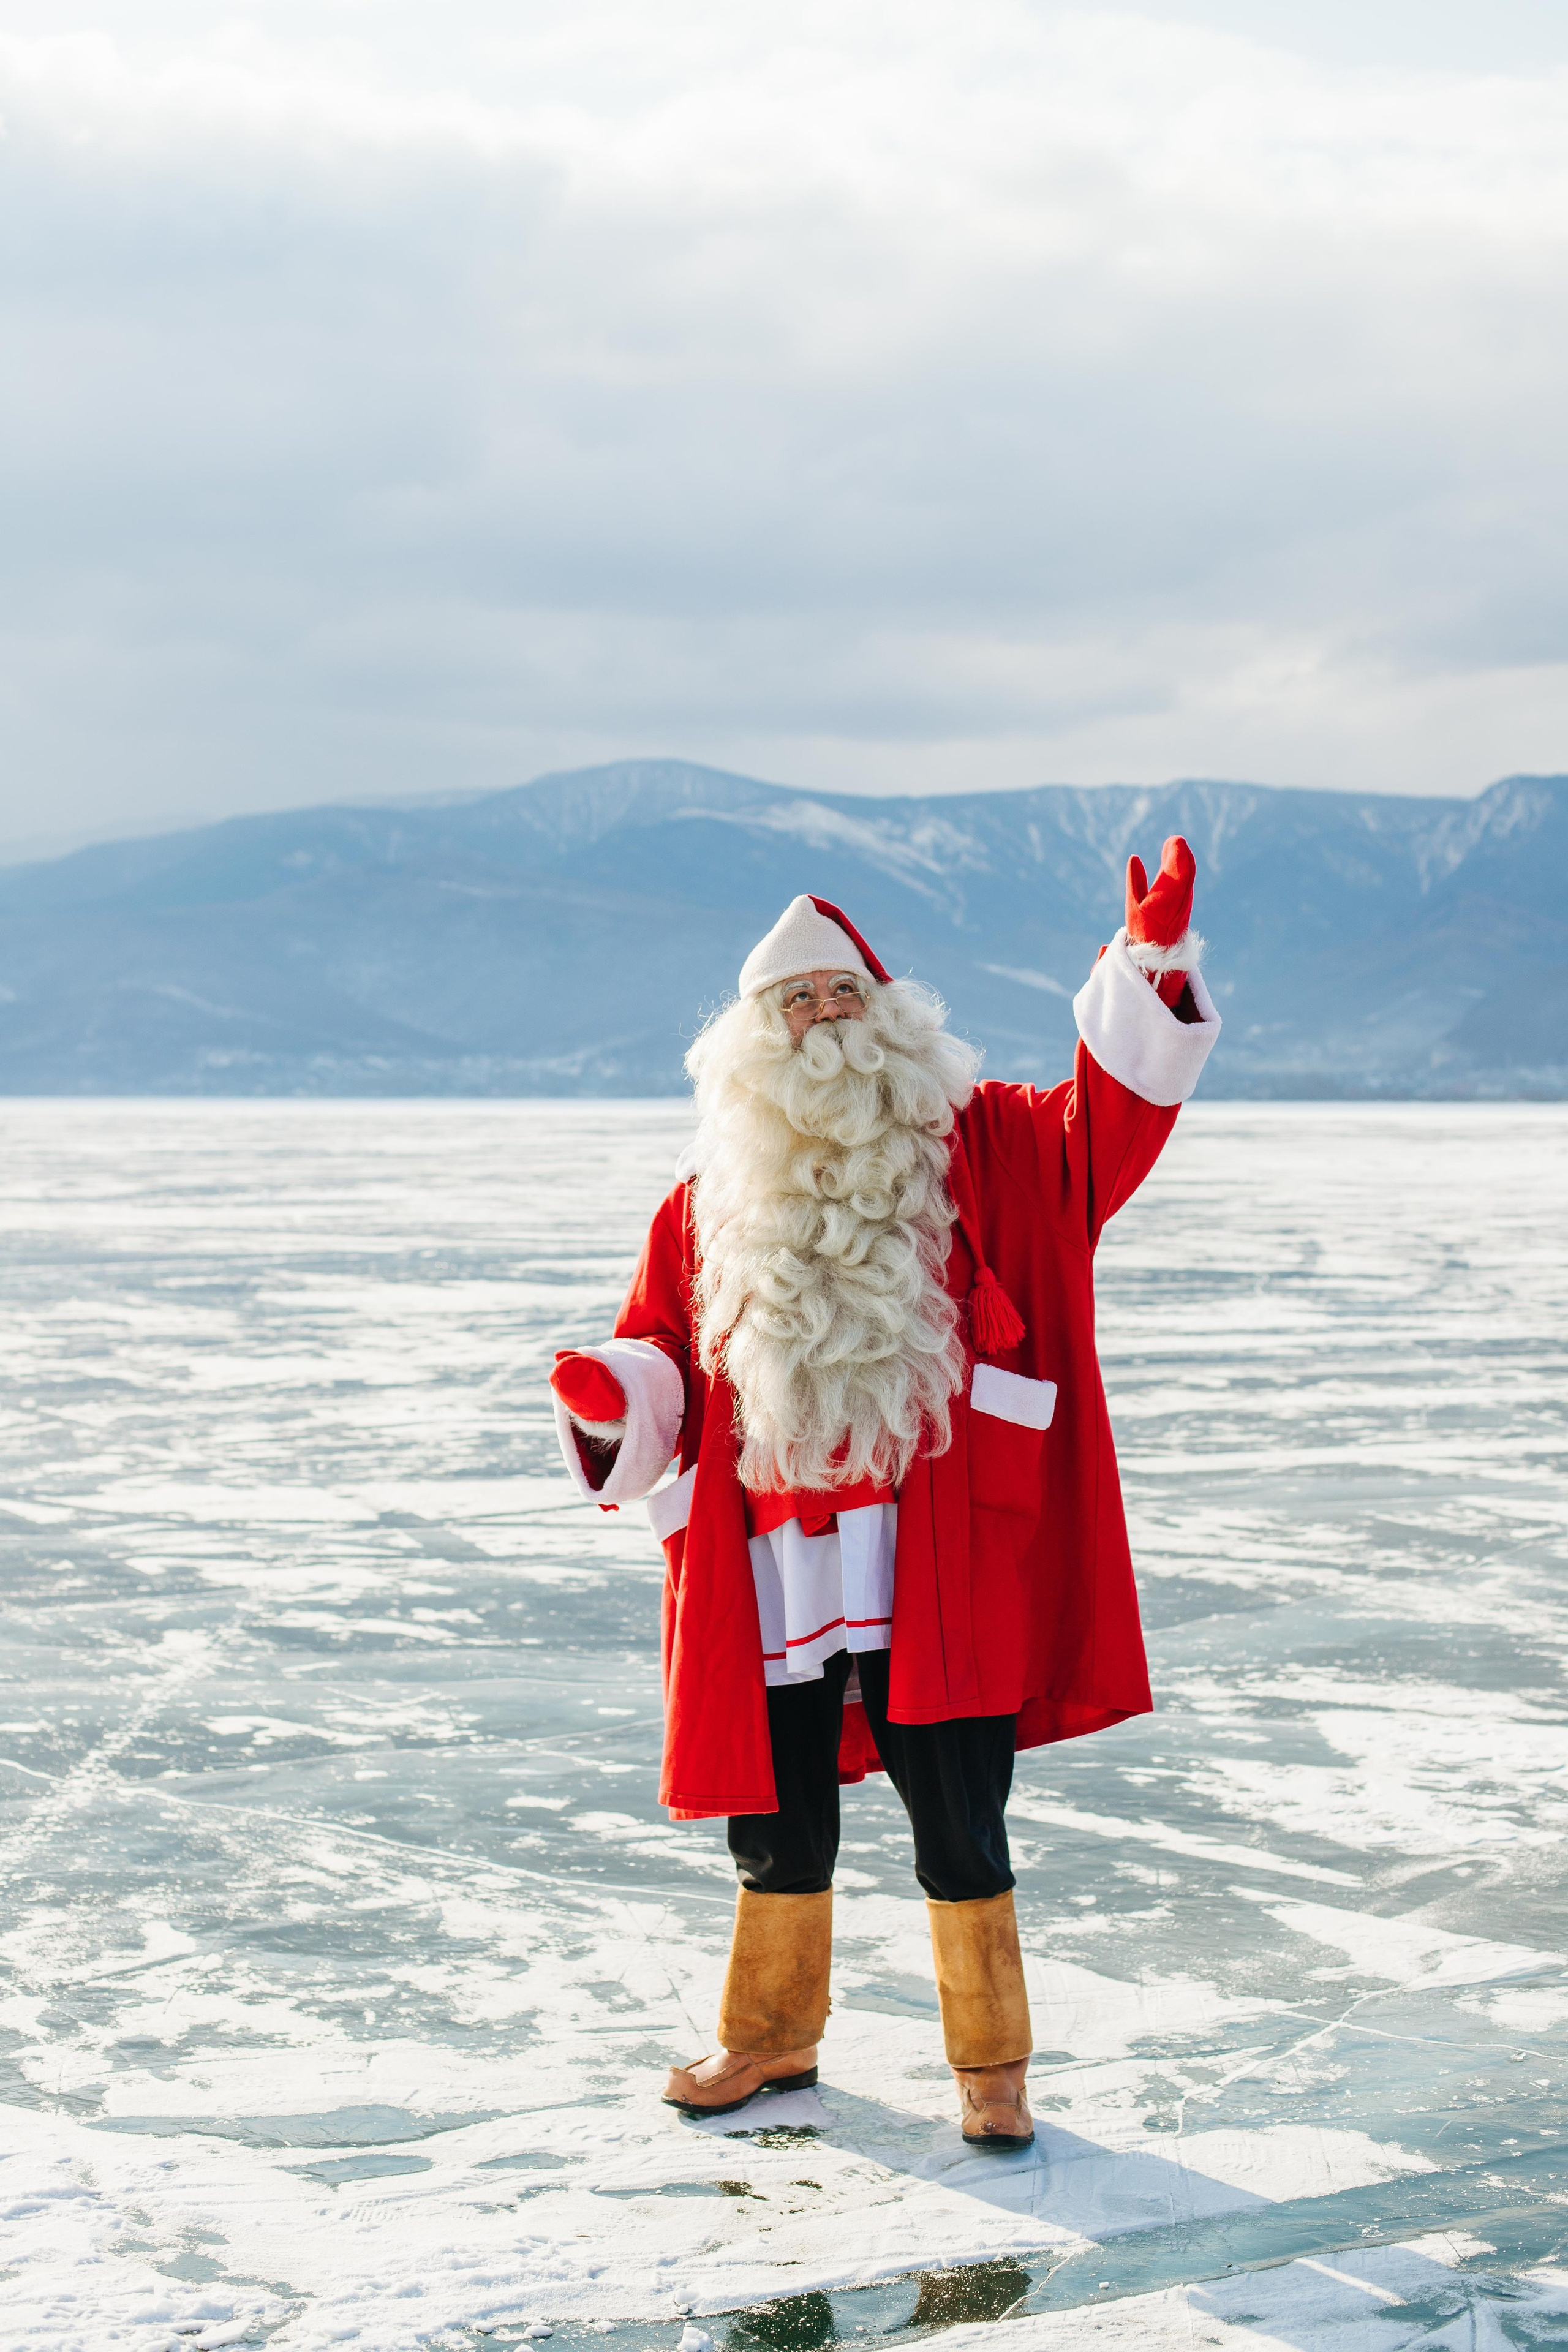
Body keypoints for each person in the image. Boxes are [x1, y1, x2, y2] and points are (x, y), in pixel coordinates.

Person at [549, 845, 1219, 2150]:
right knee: (774, 1811)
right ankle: (767, 2037)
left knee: (957, 1813)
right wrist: (613, 1394)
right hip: (778, 1557)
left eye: (836, 995)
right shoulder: (702, 1207)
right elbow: (662, 1361)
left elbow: (1111, 1127)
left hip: (940, 1548)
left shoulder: (993, 1147)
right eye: (789, 1005)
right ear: (750, 1041)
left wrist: (1144, 972)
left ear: (888, 1008)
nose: (817, 1021)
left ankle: (989, 2066)